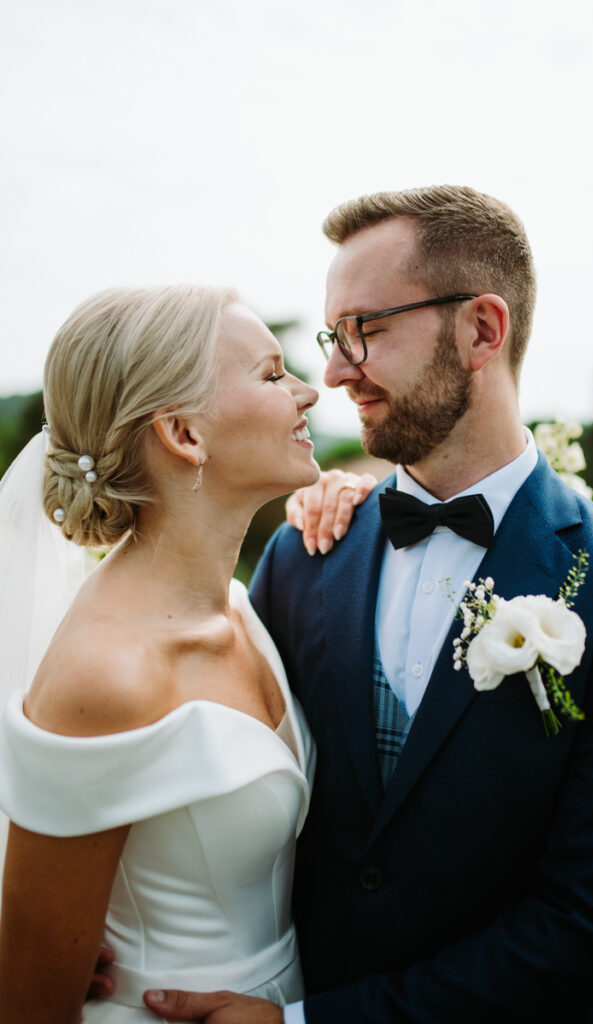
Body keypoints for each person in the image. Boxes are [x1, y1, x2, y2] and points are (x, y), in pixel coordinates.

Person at [142, 186, 593, 1024]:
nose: (332, 372)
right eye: (332, 335)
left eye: (367, 329)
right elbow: (218, 777)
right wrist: (112, 915)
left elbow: (589, 928)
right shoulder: (304, 554)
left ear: (482, 330)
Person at [0, 284, 369, 1023]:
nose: (308, 392)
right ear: (184, 435)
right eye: (271, 375)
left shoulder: (239, 603)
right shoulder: (106, 675)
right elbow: (29, 1001)